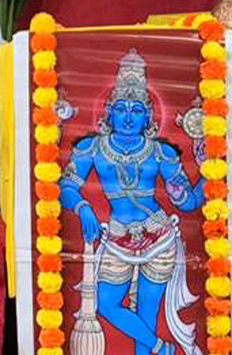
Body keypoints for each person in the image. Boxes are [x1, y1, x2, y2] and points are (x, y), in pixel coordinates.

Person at [59, 50, 204, 355]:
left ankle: (151, 348)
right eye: (121, 109)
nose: (127, 117)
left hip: (158, 236)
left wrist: (209, 173)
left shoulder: (161, 153)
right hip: (118, 236)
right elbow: (67, 185)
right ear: (109, 112)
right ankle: (161, 348)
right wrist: (83, 207)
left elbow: (189, 202)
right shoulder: (92, 148)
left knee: (148, 312)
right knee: (105, 303)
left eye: (136, 110)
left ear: (148, 116)